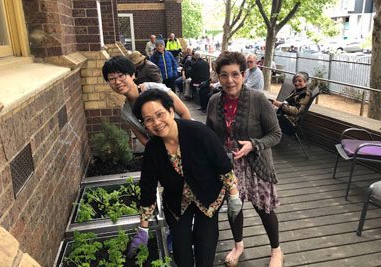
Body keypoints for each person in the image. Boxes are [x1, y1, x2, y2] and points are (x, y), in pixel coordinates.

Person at [129, 89, 242, 267]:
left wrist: (234, 195)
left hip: (208, 195)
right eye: (148, 120)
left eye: (160, 114)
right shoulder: (153, 149)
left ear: (171, 111)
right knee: (181, 251)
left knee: (205, 244)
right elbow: (148, 188)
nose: (156, 123)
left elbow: (223, 165)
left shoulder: (198, 132)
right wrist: (143, 226)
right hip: (177, 201)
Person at [206, 51, 284, 267]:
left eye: (235, 74)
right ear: (218, 77)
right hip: (228, 165)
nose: (229, 80)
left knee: (264, 209)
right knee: (234, 206)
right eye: (223, 75)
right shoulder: (214, 101)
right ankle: (238, 245)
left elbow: (276, 134)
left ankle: (276, 250)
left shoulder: (258, 99)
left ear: (243, 74)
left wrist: (253, 144)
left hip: (256, 162)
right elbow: (209, 134)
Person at [102, 55, 191, 145]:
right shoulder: (126, 112)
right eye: (112, 79)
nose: (117, 82)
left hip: (186, 138)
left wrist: (186, 141)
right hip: (165, 150)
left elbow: (184, 112)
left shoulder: (155, 88)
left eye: (121, 75)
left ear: (132, 74)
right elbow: (145, 140)